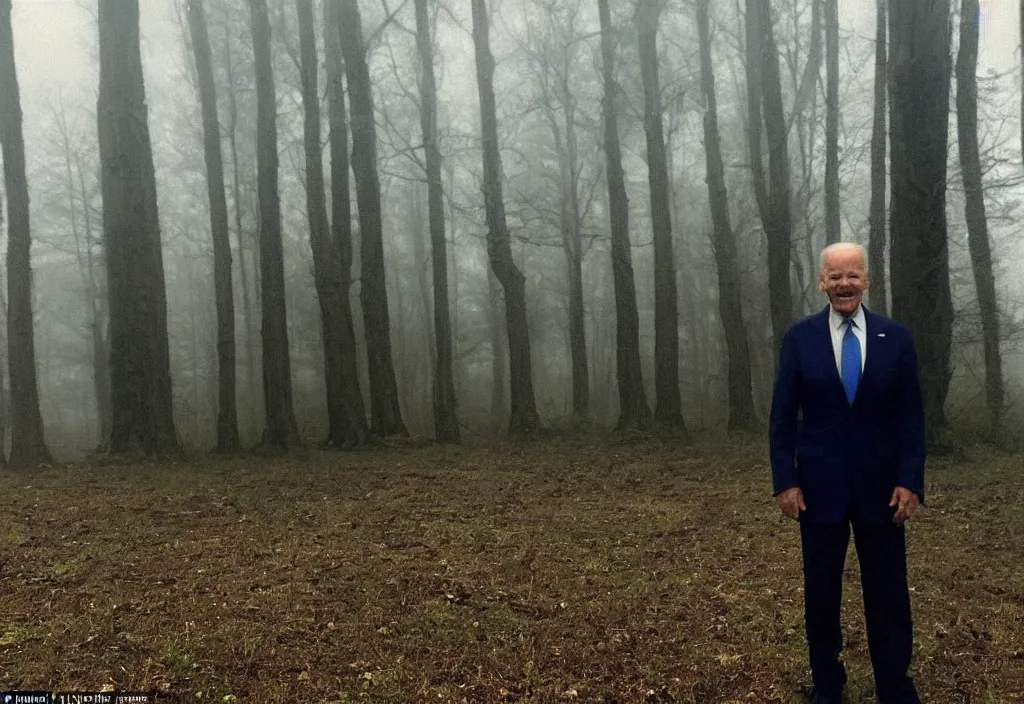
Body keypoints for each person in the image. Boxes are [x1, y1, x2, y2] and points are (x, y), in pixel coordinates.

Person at [769, 242, 925, 704]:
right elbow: (782, 418)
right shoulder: (800, 339)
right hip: (818, 490)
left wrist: (910, 479)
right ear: (821, 282)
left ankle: (895, 686)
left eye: (852, 275)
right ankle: (827, 685)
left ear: (866, 280)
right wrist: (785, 480)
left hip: (883, 490)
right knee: (821, 595)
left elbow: (911, 419)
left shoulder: (896, 339)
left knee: (889, 596)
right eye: (834, 277)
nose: (844, 285)